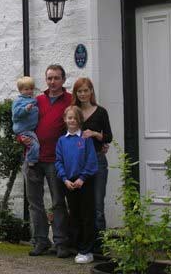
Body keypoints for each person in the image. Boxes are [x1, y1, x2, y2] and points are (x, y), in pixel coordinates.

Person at [22, 64, 72, 258]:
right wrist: (21, 139)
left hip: (55, 160)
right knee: (35, 203)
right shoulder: (37, 100)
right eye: (49, 78)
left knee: (58, 202)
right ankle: (41, 241)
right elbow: (23, 124)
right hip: (33, 159)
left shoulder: (70, 100)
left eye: (56, 78)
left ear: (63, 80)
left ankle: (61, 243)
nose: (52, 82)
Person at [72, 77, 113, 246]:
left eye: (85, 90)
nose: (82, 94)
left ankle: (100, 246)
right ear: (76, 93)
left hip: (97, 160)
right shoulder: (73, 112)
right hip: (78, 162)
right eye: (79, 91)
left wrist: (96, 134)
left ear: (91, 91)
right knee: (81, 205)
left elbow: (109, 136)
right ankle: (82, 244)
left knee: (97, 205)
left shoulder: (101, 111)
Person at [55, 105, 98, 264]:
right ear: (65, 120)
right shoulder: (61, 141)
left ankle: (87, 251)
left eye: (74, 118)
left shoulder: (85, 139)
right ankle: (79, 247)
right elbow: (58, 162)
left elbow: (92, 161)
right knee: (75, 216)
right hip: (69, 183)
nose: (71, 120)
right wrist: (65, 179)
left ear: (79, 120)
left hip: (84, 182)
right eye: (69, 117)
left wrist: (82, 178)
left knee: (87, 216)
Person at [12, 76, 40, 166]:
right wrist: (25, 110)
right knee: (34, 145)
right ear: (20, 90)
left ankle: (31, 159)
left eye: (31, 89)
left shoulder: (33, 100)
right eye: (26, 89)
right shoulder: (18, 101)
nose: (29, 91)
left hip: (29, 129)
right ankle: (30, 161)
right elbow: (15, 114)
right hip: (23, 130)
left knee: (35, 144)